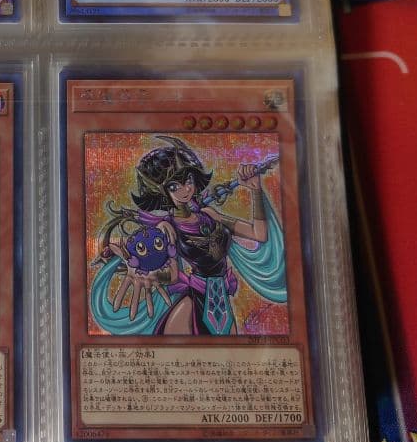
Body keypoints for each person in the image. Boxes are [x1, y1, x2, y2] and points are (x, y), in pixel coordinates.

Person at [92, 136, 286, 336]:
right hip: (192, 303)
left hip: (221, 301)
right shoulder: (168, 227)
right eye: (174, 186)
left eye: (188, 181)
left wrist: (255, 190)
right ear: (162, 192)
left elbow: (258, 233)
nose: (185, 189)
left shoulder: (209, 215)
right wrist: (148, 272)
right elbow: (172, 274)